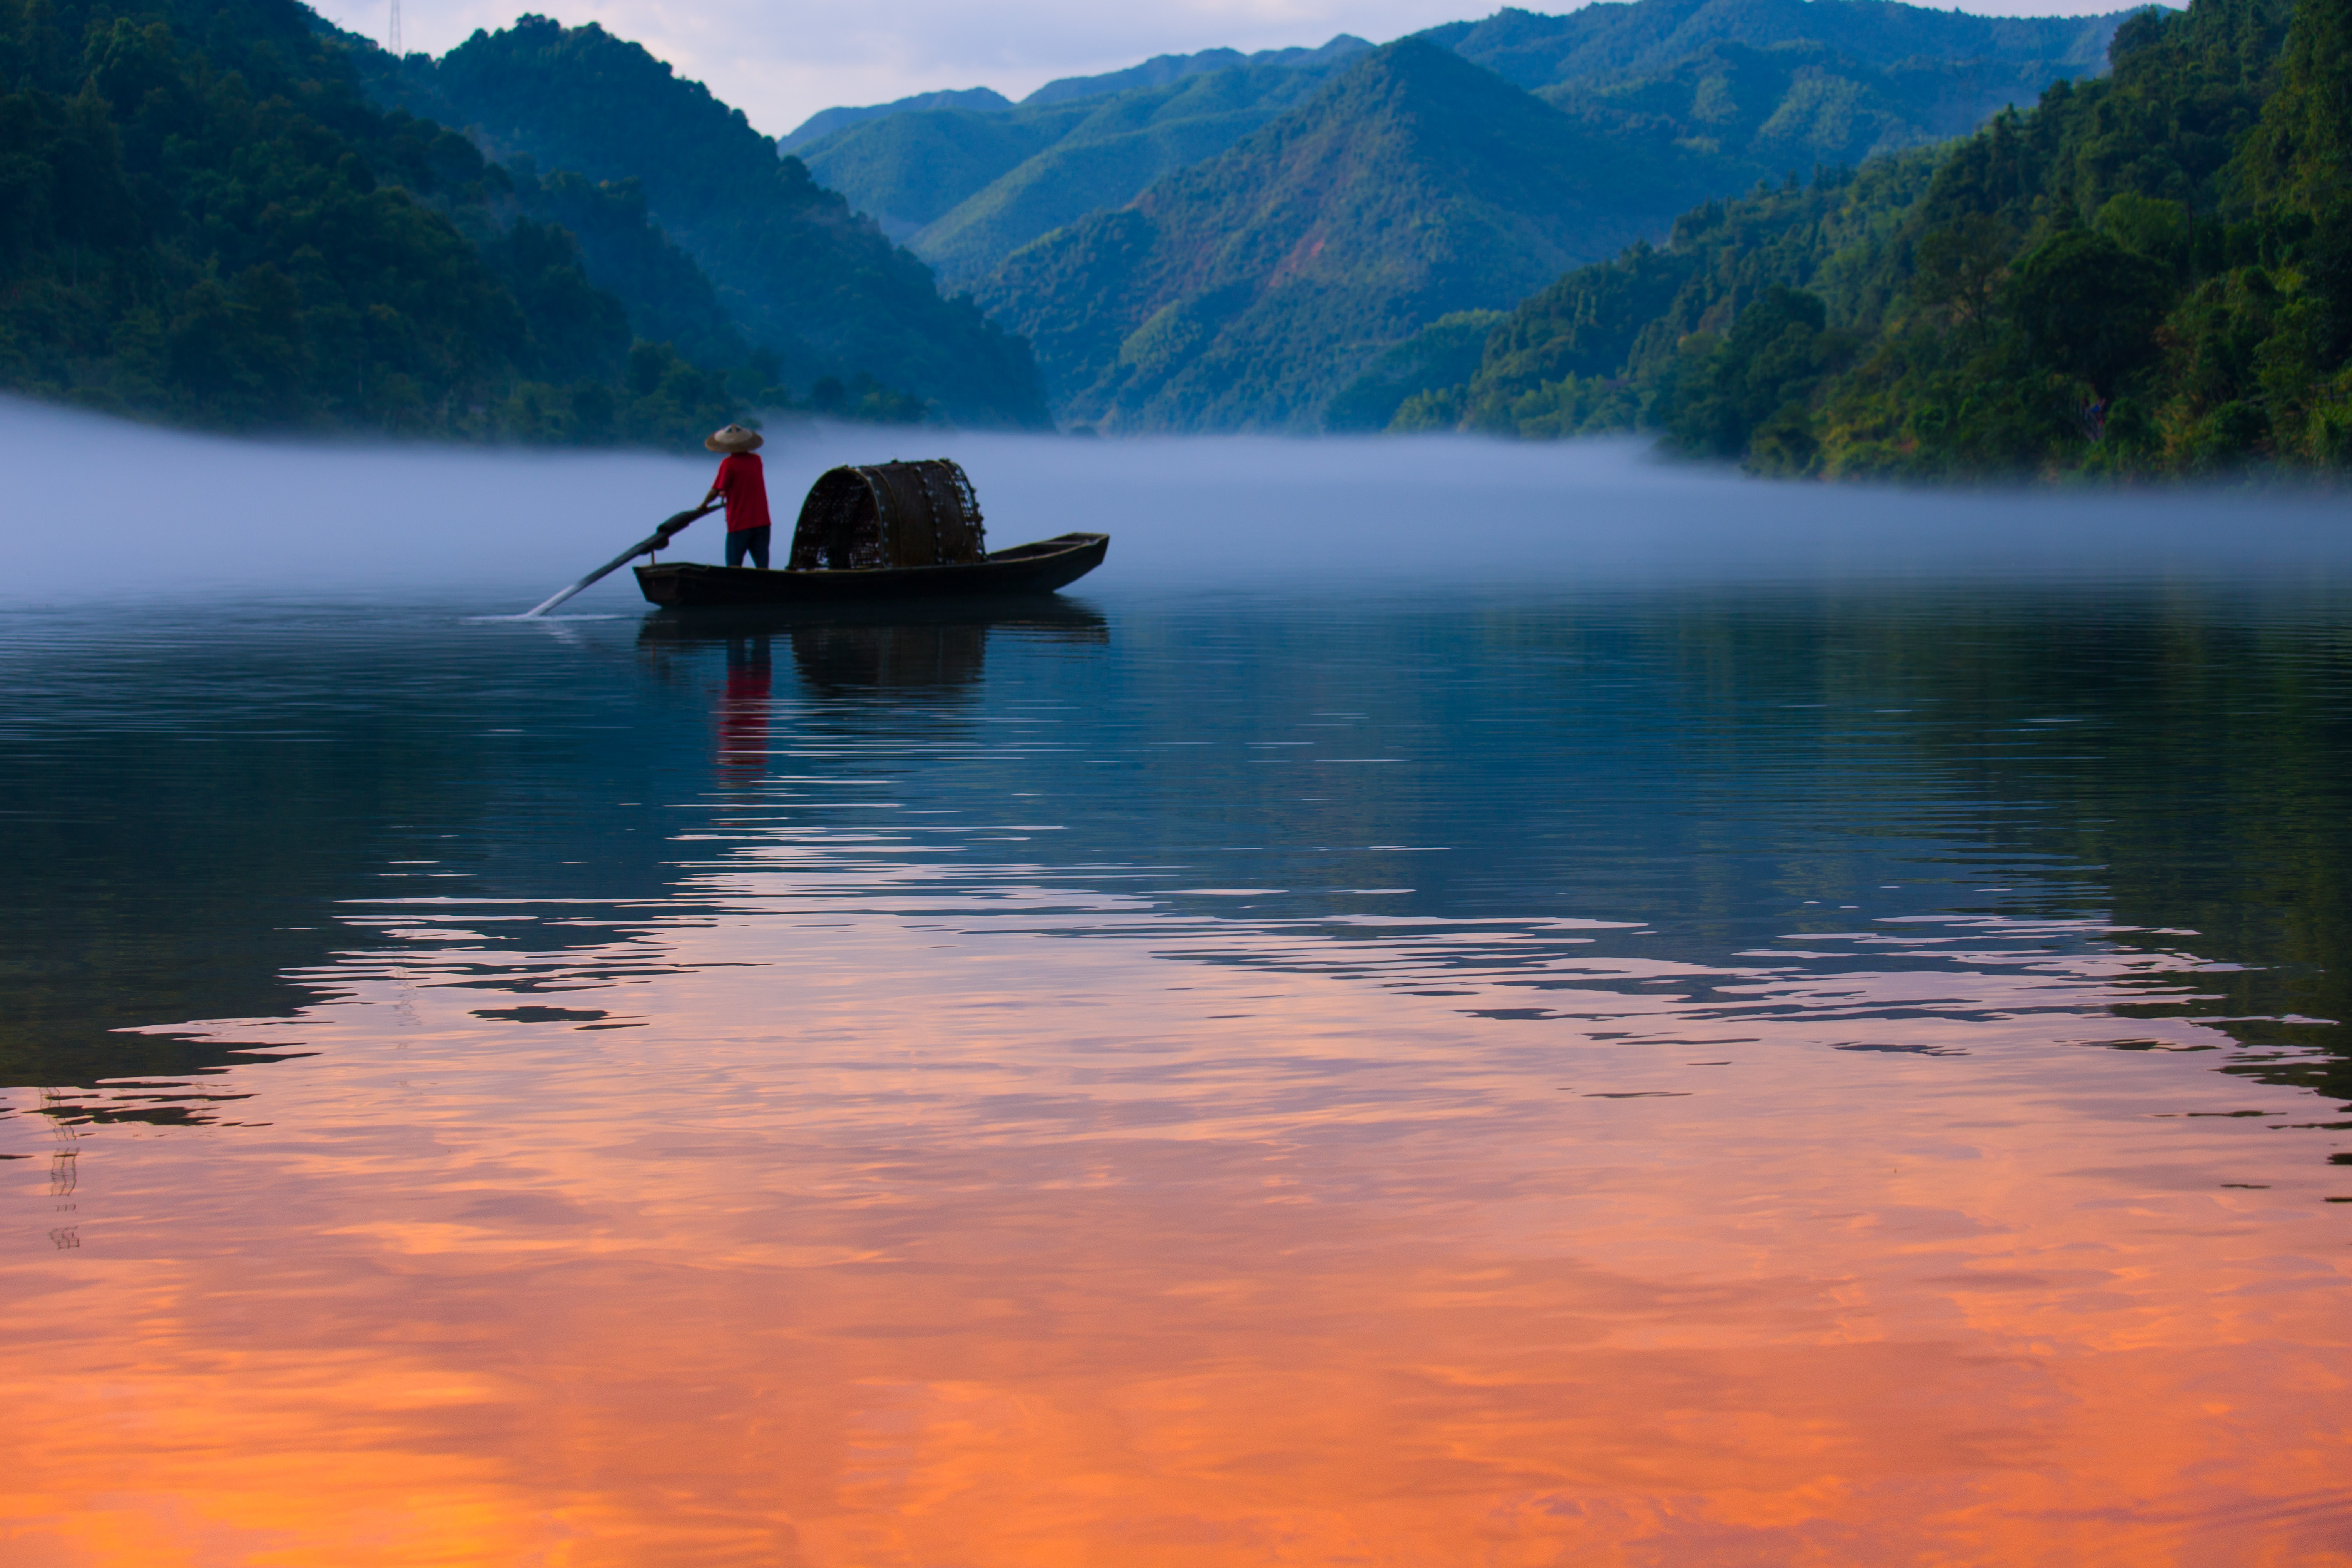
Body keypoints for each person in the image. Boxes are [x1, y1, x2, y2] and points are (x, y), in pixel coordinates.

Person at [702, 424, 772, 568]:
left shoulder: (729, 464)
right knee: (763, 567)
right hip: (762, 521)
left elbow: (715, 491)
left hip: (740, 523)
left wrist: (703, 505)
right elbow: (744, 482)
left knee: (734, 567)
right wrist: (727, 492)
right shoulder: (757, 460)